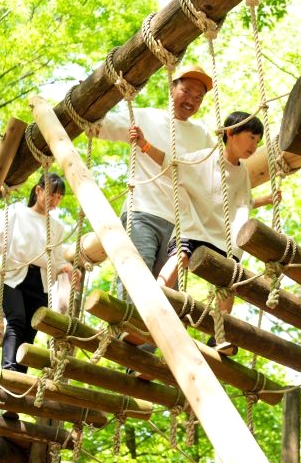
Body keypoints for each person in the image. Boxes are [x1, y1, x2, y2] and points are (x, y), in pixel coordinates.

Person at [130, 111, 272, 315]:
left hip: (223, 237)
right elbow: (171, 164)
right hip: (196, 228)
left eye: (258, 141)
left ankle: (222, 330)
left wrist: (265, 200)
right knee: (181, 255)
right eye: (251, 137)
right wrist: (145, 145)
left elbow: (243, 203)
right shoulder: (204, 159)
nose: (254, 145)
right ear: (231, 133)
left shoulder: (242, 174)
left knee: (230, 276)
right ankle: (158, 294)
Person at [90, 64, 216, 282]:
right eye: (186, 91)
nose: (191, 100)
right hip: (142, 212)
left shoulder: (202, 135)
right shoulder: (145, 117)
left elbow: (222, 171)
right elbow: (99, 127)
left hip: (180, 225)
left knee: (166, 295)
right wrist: (91, 96)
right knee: (136, 283)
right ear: (172, 88)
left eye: (198, 97)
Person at [0, 172, 73, 374]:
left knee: (32, 328)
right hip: (14, 276)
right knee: (17, 320)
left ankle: (20, 377)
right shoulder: (18, 213)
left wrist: (64, 268)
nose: (55, 200)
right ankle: (8, 370)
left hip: (39, 281)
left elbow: (56, 259)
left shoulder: (57, 227)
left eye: (59, 197)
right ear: (38, 190)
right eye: (52, 194)